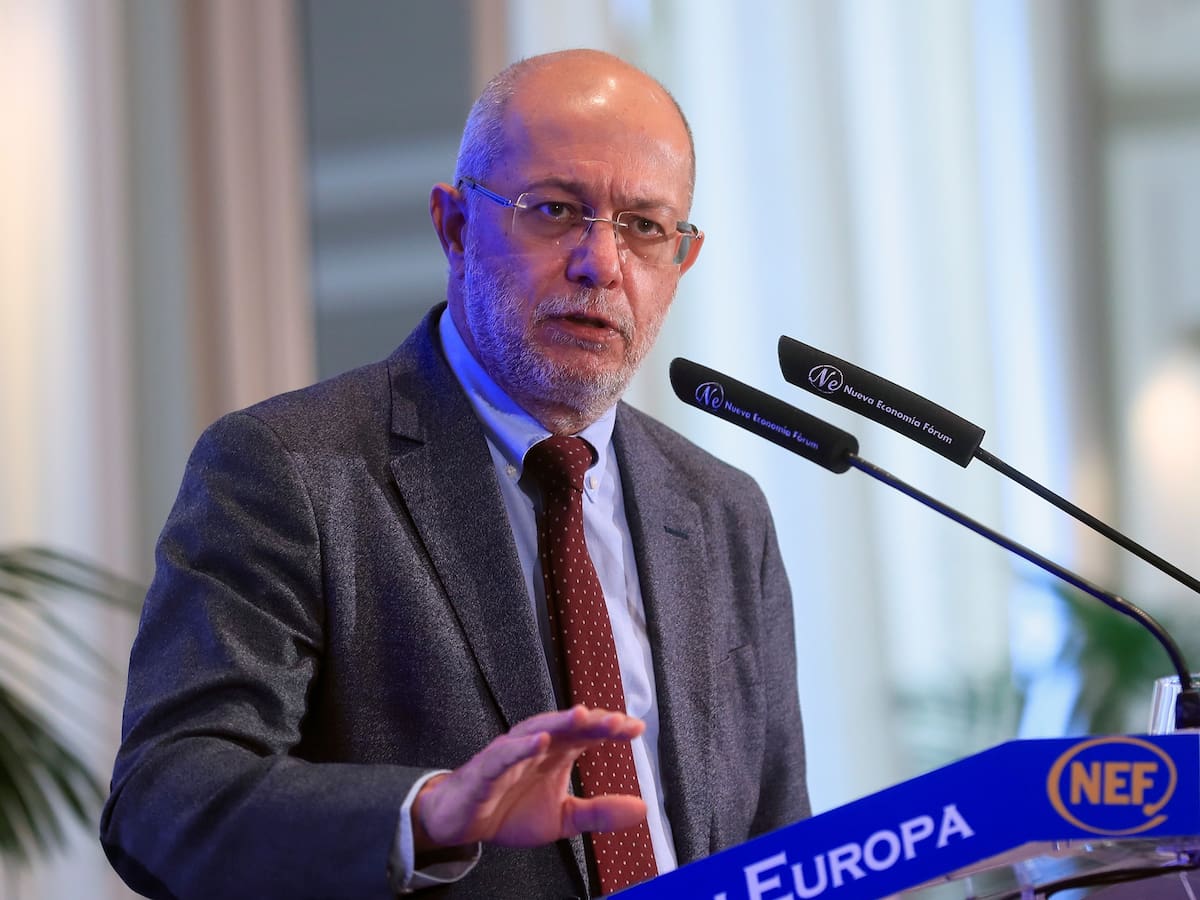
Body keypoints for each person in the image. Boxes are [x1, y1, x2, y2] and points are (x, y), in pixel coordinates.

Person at [101, 48, 808, 899]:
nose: (602, 263)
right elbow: (163, 802)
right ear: (455, 226)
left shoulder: (723, 511)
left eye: (644, 227)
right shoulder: (290, 469)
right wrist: (428, 815)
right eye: (556, 210)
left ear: (682, 261)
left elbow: (780, 840)